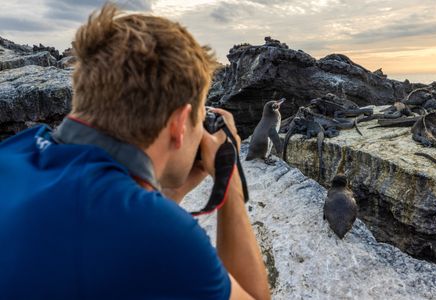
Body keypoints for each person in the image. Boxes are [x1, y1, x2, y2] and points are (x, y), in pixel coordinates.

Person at [0, 3, 270, 300]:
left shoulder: (14, 152)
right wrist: (228, 182)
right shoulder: (161, 235)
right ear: (180, 123)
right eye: (198, 119)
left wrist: (166, 193)